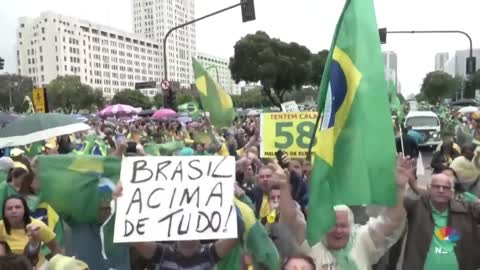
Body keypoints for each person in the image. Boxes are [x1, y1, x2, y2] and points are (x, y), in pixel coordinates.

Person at [295, 156, 410, 269]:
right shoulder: (311, 244)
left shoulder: (361, 240)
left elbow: (390, 221)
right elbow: (292, 218)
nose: (338, 230)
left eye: (343, 225)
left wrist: (399, 188)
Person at [402, 173, 480, 269]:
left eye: (446, 187)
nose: (441, 190)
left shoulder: (466, 209)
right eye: (436, 186)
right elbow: (394, 208)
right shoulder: (416, 207)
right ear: (429, 188)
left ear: (452, 192)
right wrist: (399, 186)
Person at [0, 195, 60, 269]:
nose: (14, 211)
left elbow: (55, 248)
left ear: (25, 210)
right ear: (4, 213)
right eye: (9, 208)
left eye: (18, 207)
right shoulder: (0, 226)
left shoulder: (38, 226)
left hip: (35, 265)